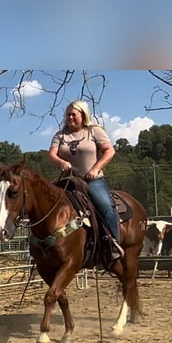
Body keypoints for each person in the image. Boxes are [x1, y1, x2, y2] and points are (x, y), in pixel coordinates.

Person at [49, 100, 123, 261]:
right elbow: (52, 154)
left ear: (83, 115)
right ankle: (43, 245)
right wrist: (61, 162)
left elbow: (109, 151)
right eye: (68, 115)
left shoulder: (94, 131)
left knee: (105, 206)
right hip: (68, 181)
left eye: (74, 114)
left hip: (92, 180)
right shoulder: (60, 135)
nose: (70, 118)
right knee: (45, 202)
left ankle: (112, 243)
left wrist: (96, 168)